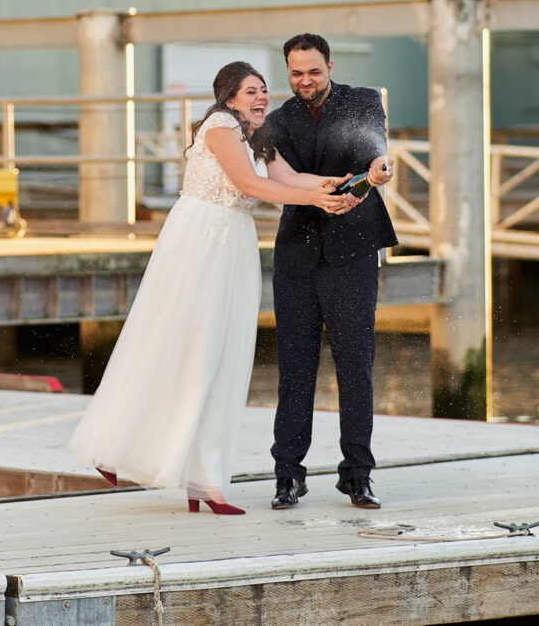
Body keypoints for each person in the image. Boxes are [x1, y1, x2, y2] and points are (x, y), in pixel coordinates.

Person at [70, 61, 349, 515]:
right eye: (252, 91)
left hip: (234, 242)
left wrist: (337, 185)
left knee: (224, 356)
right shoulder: (220, 125)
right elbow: (246, 182)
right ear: (229, 97)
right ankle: (115, 447)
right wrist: (314, 198)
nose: (262, 97)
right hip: (200, 239)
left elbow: (288, 179)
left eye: (264, 90)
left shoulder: (260, 135)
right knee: (185, 347)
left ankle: (204, 481)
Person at [257, 33, 397, 510]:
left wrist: (378, 169)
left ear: (330, 66)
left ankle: (358, 475)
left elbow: (374, 147)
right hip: (296, 256)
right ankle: (287, 476)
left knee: (356, 365)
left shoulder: (363, 101)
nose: (305, 81)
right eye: (296, 73)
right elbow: (286, 182)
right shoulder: (275, 122)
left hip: (353, 251)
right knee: (295, 368)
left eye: (314, 71)